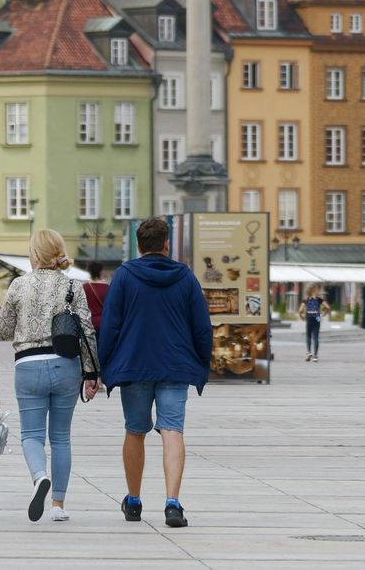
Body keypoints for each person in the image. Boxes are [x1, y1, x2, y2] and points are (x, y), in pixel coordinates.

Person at [98, 216, 212, 530]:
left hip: (134, 365)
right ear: (166, 244)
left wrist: (101, 366)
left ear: (138, 245)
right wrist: (202, 362)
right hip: (175, 365)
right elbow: (201, 326)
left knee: (135, 431)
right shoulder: (186, 277)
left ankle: (133, 500)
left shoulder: (124, 276)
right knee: (172, 430)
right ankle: (172, 502)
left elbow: (110, 325)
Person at [0, 229, 99, 523]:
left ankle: (40, 476)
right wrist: (92, 374)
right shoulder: (72, 286)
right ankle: (58, 505)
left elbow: (2, 330)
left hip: (28, 366)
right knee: (61, 438)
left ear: (34, 253)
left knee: (31, 435)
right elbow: (87, 332)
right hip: (66, 365)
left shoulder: (18, 285)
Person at [300, 284, 330, 362]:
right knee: (316, 337)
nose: (319, 291)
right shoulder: (319, 299)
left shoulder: (306, 299)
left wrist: (301, 316)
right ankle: (315, 356)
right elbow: (328, 308)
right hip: (317, 317)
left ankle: (309, 352)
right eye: (318, 289)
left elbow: (300, 310)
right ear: (314, 290)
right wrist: (323, 315)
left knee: (308, 336)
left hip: (309, 316)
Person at [82, 261, 109, 335]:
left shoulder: (84, 287)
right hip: (104, 323)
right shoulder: (107, 287)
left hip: (88, 323)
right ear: (100, 272)